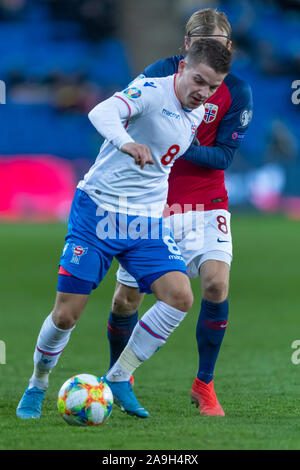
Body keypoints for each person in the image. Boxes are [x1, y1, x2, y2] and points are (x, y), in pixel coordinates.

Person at [16, 39, 232, 420]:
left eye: (213, 87)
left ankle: (118, 376)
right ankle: (37, 382)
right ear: (182, 68)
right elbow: (101, 112)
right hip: (97, 211)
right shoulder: (151, 91)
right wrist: (127, 142)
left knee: (180, 296)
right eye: (199, 81)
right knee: (66, 315)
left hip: (146, 221)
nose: (204, 93)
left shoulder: (197, 112)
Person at [106, 8, 253, 417]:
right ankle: (121, 374)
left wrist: (176, 142)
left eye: (220, 45)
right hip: (156, 202)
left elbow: (223, 155)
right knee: (125, 298)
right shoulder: (159, 73)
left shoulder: (236, 91)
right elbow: (127, 117)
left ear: (229, 49)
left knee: (215, 287)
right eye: (202, 42)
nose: (211, 49)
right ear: (186, 45)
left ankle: (204, 384)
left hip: (207, 202)